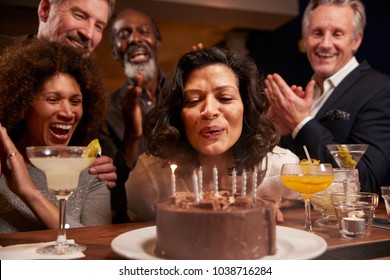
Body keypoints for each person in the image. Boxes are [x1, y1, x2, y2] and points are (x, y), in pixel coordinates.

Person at [125, 47, 301, 222]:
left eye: (225, 98)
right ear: (178, 113)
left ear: (246, 107)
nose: (209, 111)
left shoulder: (284, 170)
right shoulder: (152, 176)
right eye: (193, 100)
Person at [264, 0, 390, 194]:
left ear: (356, 40)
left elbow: (365, 179)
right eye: (317, 33)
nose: (325, 44)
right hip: (297, 216)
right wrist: (277, 132)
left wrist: (301, 122)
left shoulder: (381, 89)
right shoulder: (302, 92)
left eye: (337, 33)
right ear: (305, 39)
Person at [0, 0, 118, 189]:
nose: (88, 33)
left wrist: (104, 168)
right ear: (45, 10)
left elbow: (101, 158)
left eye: (99, 26)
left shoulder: (89, 91)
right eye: (80, 16)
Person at [0, 39, 112, 233]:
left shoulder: (92, 173)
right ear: (23, 104)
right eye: (53, 99)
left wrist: (29, 192)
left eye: (75, 101)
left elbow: (97, 246)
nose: (68, 112)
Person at [99, 8, 167, 222]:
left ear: (157, 42)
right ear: (114, 51)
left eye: (143, 32)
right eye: (124, 35)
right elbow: (111, 191)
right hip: (131, 223)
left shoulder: (186, 93)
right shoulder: (102, 110)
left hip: (188, 214)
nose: (135, 39)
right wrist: (132, 135)